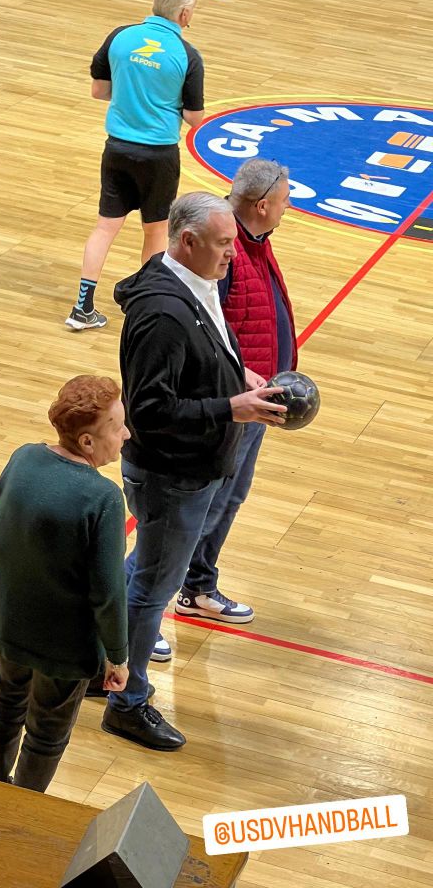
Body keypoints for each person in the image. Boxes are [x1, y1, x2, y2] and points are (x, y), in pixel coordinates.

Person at [100, 192, 286, 750]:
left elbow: (207, 351)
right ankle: (127, 703)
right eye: (225, 244)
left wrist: (239, 376)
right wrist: (232, 407)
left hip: (190, 468)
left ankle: (101, 668)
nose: (234, 254)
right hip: (171, 474)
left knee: (149, 575)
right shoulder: (161, 313)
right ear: (187, 241)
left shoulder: (191, 282)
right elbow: (151, 411)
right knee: (152, 591)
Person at [161, 159, 298, 655]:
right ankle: (147, 607)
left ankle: (197, 587)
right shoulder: (226, 250)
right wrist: (236, 382)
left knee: (227, 501)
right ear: (262, 205)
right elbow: (203, 328)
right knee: (191, 511)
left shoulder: (255, 241)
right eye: (285, 200)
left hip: (254, 405)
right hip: (229, 407)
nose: (289, 207)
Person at [0, 375, 130, 792]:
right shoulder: (104, 498)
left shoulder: (23, 457)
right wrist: (117, 656)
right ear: (87, 443)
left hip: (6, 624)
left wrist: (17, 587)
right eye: (117, 427)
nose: (126, 434)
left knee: (4, 705)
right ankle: (24, 808)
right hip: (64, 647)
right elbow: (108, 592)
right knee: (46, 733)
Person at [65, 0, 205, 331]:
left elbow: (99, 90)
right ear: (185, 13)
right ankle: (146, 307)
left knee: (104, 227)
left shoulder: (119, 37)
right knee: (155, 231)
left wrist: (132, 94)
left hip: (117, 149)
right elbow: (193, 117)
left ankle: (82, 308)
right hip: (158, 155)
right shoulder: (187, 55)